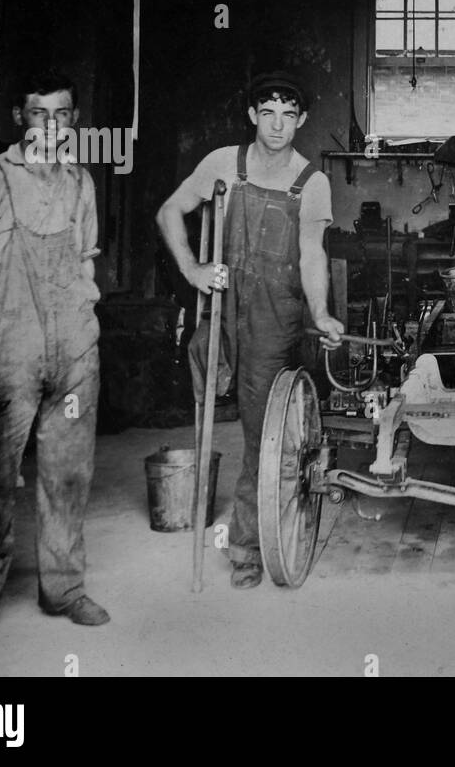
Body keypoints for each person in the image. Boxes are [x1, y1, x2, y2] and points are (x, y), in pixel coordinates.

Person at [157, 71, 343, 589]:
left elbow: (312, 255)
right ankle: (227, 529)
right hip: (220, 305)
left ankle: (245, 547)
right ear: (252, 116)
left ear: (301, 120)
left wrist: (321, 312)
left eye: (288, 114)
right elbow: (170, 210)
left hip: (273, 315)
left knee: (261, 435)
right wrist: (192, 268)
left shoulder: (313, 182)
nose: (277, 124)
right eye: (268, 112)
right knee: (205, 399)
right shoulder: (224, 165)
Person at [0, 69, 109, 652]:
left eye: (62, 114)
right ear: (21, 117)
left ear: (73, 121)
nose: (51, 125)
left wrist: (84, 335)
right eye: (39, 113)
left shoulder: (80, 180)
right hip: (9, 346)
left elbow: (85, 262)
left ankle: (62, 590)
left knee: (68, 474)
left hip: (73, 348)